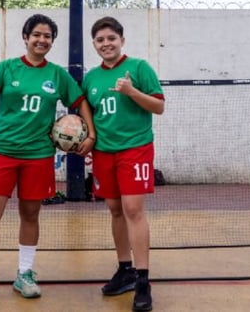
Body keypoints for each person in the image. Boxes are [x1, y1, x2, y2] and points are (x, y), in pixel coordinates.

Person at [0, 14, 95, 309]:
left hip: (38, 155)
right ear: (25, 37)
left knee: (30, 214)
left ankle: (25, 274)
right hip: (2, 151)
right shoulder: (7, 68)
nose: (42, 40)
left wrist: (91, 134)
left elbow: (80, 100)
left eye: (48, 36)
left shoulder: (57, 75)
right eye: (37, 34)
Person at [82, 16, 164, 312]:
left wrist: (132, 92)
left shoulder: (139, 68)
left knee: (133, 210)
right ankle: (125, 269)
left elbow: (159, 106)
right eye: (100, 40)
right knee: (115, 210)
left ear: (122, 40)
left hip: (135, 150)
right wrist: (88, 136)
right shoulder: (91, 77)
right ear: (94, 45)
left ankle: (143, 282)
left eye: (111, 38)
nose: (106, 44)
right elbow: (87, 111)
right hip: (104, 152)